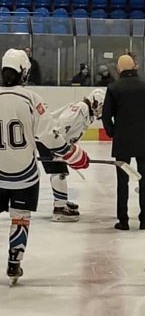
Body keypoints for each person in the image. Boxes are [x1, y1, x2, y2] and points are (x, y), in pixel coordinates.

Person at [0, 48, 89, 285]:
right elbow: (50, 136)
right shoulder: (31, 99)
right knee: (20, 218)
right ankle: (14, 261)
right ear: (24, 72)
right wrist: (73, 154)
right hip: (24, 175)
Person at [102, 54, 145, 230]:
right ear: (135, 67)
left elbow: (106, 116)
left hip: (122, 142)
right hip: (143, 140)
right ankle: (144, 220)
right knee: (144, 180)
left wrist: (114, 133)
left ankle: (123, 220)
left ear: (119, 69)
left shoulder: (114, 88)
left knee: (122, 182)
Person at [36, 89, 106, 222]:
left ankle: (61, 202)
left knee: (59, 172)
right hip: (49, 140)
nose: (102, 110)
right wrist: (61, 148)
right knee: (59, 172)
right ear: (95, 102)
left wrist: (70, 153)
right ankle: (60, 209)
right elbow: (61, 126)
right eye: (102, 106)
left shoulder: (87, 113)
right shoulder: (81, 108)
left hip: (53, 140)